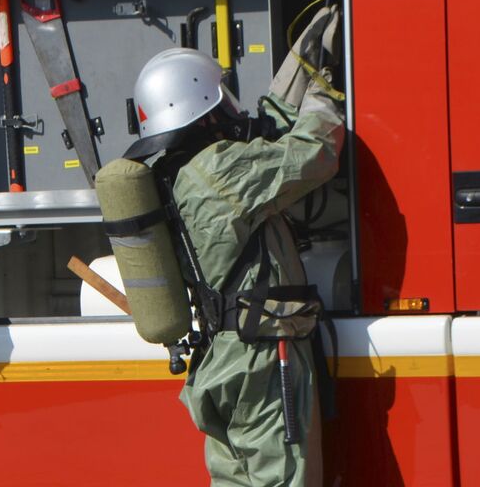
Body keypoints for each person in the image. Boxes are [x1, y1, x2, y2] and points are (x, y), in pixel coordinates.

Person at [123, 48, 344, 487]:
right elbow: (315, 152)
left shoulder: (176, 174)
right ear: (201, 107)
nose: (229, 109)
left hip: (219, 360)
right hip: (260, 360)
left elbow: (267, 134)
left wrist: (299, 65)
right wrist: (324, 92)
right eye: (219, 98)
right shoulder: (221, 167)